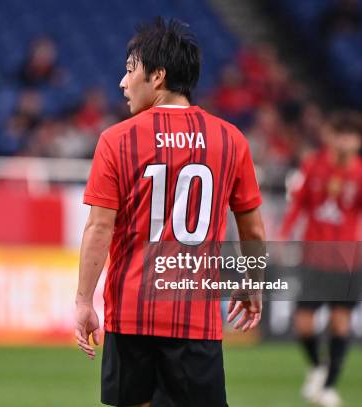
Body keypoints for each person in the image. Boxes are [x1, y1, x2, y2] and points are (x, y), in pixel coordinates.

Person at [75, 17, 266, 407]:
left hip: (131, 314)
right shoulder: (231, 140)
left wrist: (83, 300)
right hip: (194, 317)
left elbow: (98, 228)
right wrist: (252, 282)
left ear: (157, 76)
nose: (122, 83)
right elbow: (254, 231)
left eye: (130, 71)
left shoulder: (116, 140)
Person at [279, 110, 362, 407]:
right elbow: (296, 206)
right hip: (314, 259)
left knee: (340, 325)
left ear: (359, 142)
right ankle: (317, 366)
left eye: (350, 136)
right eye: (339, 134)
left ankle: (328, 387)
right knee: (303, 325)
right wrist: (284, 235)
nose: (343, 141)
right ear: (329, 136)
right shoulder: (312, 167)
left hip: (348, 263)